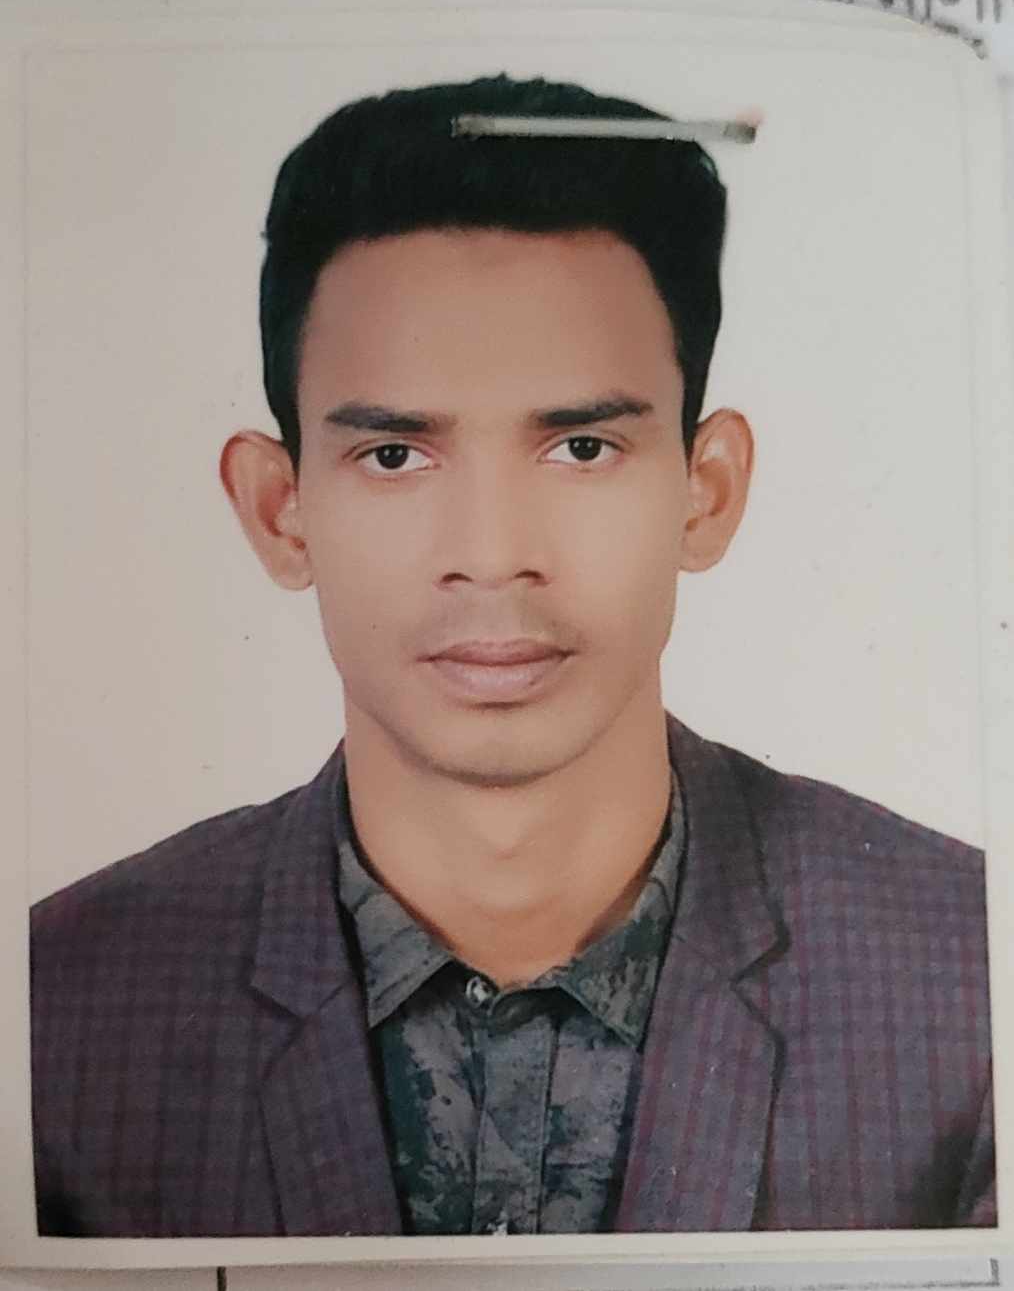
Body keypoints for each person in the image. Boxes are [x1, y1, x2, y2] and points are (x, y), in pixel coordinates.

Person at [30, 74, 993, 1238]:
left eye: (581, 446)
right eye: (395, 456)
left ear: (707, 491)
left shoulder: (971, 978)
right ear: (281, 510)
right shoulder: (53, 1011)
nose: (492, 556)